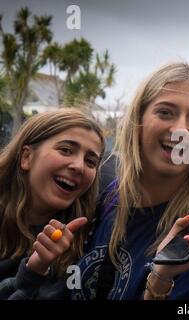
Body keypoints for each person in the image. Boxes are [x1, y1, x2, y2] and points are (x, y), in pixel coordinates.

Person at [69, 62, 189, 300]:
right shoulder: (111, 196)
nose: (181, 130)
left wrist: (160, 283)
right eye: (165, 112)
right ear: (137, 120)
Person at [0, 109, 105, 299]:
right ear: (26, 157)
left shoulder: (86, 240)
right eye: (65, 150)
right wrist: (32, 271)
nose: (79, 166)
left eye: (90, 161)